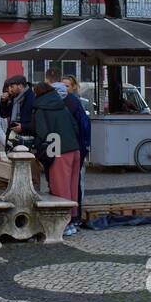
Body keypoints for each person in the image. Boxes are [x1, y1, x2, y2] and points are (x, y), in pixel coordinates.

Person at [33, 81, 82, 234]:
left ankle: (63, 224)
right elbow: (75, 126)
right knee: (72, 186)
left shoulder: (41, 109)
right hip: (74, 149)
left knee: (61, 188)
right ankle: (73, 221)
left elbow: (42, 133)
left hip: (58, 149)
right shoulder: (63, 106)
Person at [60, 78, 92, 234]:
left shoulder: (76, 103)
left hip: (77, 147)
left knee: (76, 183)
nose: (63, 88)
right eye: (62, 85)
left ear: (73, 87)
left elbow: (84, 125)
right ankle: (74, 215)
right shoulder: (65, 102)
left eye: (66, 86)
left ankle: (76, 215)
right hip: (73, 147)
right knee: (72, 183)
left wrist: (84, 146)